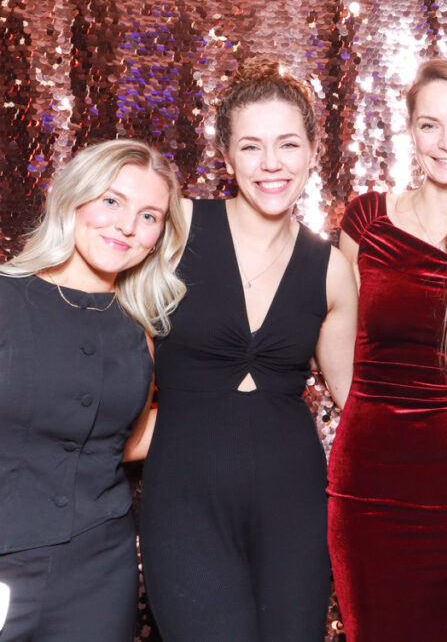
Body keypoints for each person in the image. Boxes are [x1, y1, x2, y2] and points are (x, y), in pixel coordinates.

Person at [138, 58, 357, 641]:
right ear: (227, 157)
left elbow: (356, 400)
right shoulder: (174, 228)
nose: (271, 164)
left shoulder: (330, 269)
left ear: (313, 152)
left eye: (288, 144)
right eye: (252, 146)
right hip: (184, 497)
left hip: (294, 499)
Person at [326, 59, 447, 641]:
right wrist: (373, 421)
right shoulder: (366, 219)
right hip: (370, 481)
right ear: (410, 131)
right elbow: (339, 346)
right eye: (430, 124)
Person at [0, 139, 187, 641]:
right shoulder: (6, 297)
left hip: (99, 566)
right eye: (112, 201)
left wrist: (233, 410)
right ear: (73, 200)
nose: (127, 226)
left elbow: (127, 439)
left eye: (149, 216)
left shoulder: (140, 325)